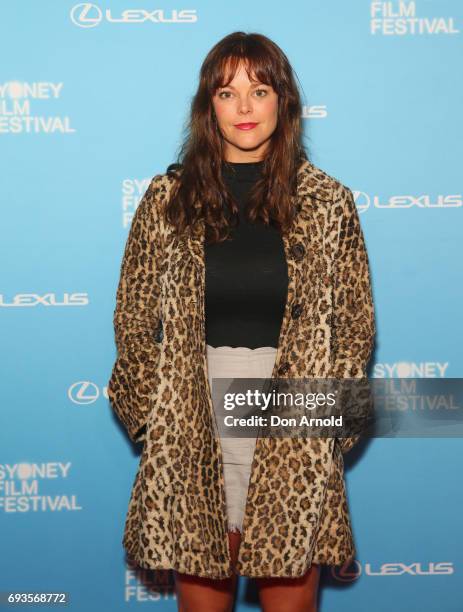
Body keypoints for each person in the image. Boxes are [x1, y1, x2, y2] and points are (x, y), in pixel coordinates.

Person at [107, 31, 376, 612]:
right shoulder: (166, 199)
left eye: (260, 89)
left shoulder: (329, 204)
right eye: (228, 93)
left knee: (290, 593)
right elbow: (133, 318)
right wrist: (157, 418)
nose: (246, 108)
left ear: (284, 101)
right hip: (194, 415)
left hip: (294, 417)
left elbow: (355, 325)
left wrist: (330, 430)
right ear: (209, 107)